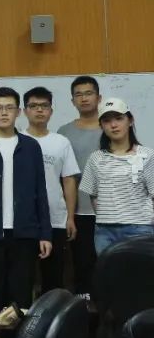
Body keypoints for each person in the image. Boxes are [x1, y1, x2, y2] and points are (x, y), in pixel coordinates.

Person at [0, 87, 52, 338]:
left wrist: (45, 233)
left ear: (18, 112)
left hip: (24, 232)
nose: (4, 113)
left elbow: (40, 191)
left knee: (21, 294)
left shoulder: (31, 146)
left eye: (9, 108)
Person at [21, 87, 80, 293]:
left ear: (51, 111)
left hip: (56, 218)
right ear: (25, 111)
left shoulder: (61, 142)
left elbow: (69, 180)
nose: (39, 110)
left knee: (53, 277)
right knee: (23, 277)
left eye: (44, 106)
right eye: (33, 106)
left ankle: (51, 314)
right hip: (24, 221)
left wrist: (70, 217)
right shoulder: (17, 140)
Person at [79, 98, 154, 254]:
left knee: (138, 270)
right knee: (108, 270)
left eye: (119, 118)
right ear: (101, 125)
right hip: (105, 231)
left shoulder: (148, 155)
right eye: (107, 121)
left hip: (140, 229)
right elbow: (93, 195)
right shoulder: (96, 158)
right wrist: (107, 217)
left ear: (130, 120)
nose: (113, 125)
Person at [58, 76, 103, 296]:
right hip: (77, 212)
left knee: (109, 265)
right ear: (72, 101)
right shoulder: (64, 132)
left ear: (99, 98)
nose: (84, 98)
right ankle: (85, 310)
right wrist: (68, 215)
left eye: (89, 93)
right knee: (82, 265)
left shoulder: (112, 126)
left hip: (109, 211)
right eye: (79, 94)